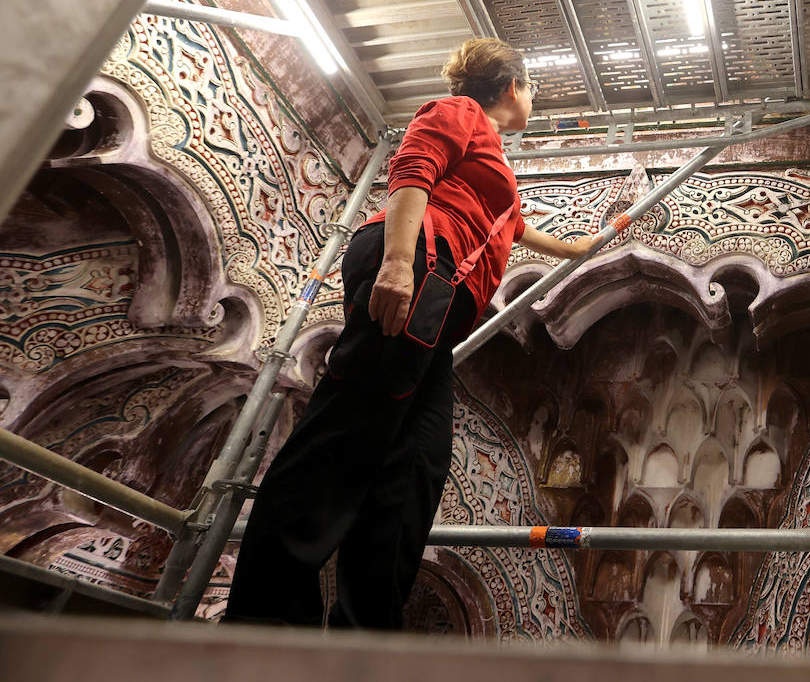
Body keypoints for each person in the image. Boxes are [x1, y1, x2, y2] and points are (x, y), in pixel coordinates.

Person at [222, 38, 595, 629]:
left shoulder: (494, 162)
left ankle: (365, 636)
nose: (533, 100)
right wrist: (398, 262)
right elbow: (413, 171)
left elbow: (516, 229)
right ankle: (262, 626)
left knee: (416, 465)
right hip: (418, 265)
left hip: (441, 306)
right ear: (508, 87)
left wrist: (583, 248)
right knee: (346, 436)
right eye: (531, 88)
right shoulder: (460, 114)